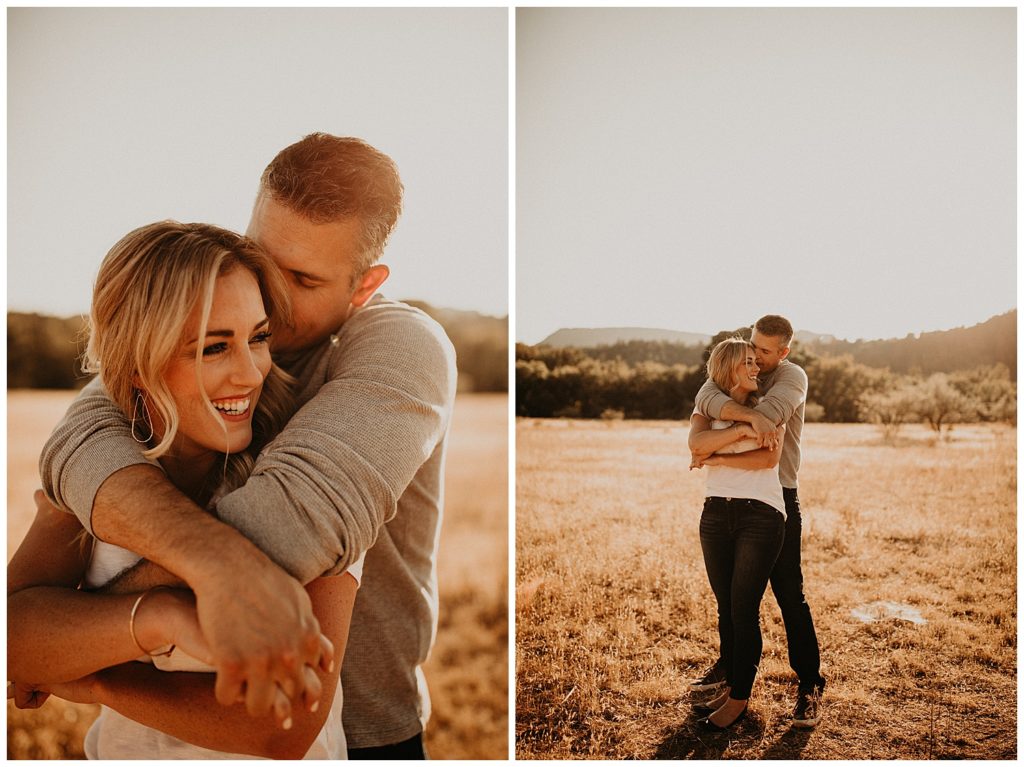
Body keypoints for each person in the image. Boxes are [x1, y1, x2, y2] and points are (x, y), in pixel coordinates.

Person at [36, 134, 458, 758]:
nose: (271, 292)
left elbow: (291, 524)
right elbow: (82, 435)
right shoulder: (205, 328)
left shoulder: (404, 345)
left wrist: (67, 643)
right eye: (261, 255)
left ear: (363, 286)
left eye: (304, 279)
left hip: (365, 725)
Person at [9, 222, 358, 758]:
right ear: (138, 361)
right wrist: (160, 615)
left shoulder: (303, 470)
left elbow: (282, 729)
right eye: (214, 348)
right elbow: (12, 638)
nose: (251, 372)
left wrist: (93, 678)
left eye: (258, 337)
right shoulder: (97, 477)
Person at [689, 314, 825, 728]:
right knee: (732, 600)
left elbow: (770, 414)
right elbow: (705, 398)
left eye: (765, 352)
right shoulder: (737, 368)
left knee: (789, 594)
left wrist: (718, 445)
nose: (757, 357)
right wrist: (748, 417)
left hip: (776, 496)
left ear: (783, 352)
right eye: (752, 347)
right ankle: (731, 669)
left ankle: (809, 685)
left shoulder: (790, 377)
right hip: (728, 498)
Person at [687, 338, 786, 730]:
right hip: (715, 513)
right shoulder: (707, 406)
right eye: (747, 361)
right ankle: (729, 684)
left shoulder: (770, 407)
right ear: (728, 368)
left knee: (743, 609)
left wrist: (717, 453)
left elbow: (768, 458)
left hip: (760, 515)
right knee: (725, 607)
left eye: (756, 360)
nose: (756, 367)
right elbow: (695, 442)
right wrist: (744, 427)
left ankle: (740, 700)